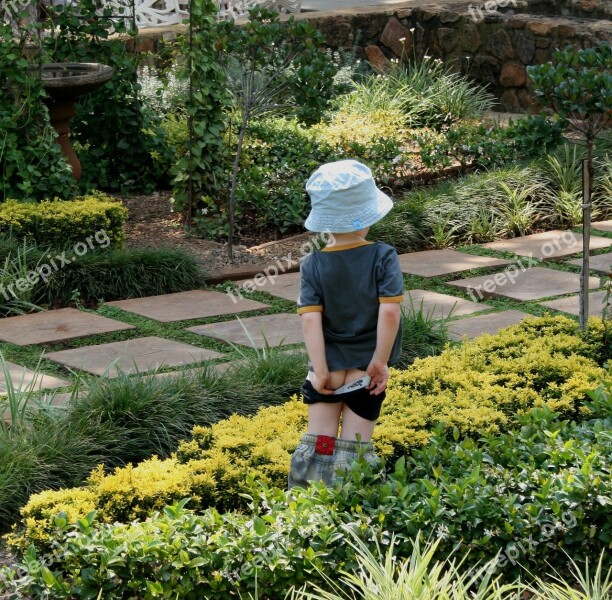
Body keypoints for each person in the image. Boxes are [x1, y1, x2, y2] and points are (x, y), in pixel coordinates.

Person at [288, 159, 403, 490]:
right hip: (364, 374)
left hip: (326, 372)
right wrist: (379, 361)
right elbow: (390, 313)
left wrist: (321, 370)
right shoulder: (382, 255)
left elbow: (310, 321)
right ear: (367, 217)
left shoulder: (313, 263)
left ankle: (304, 513)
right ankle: (351, 517)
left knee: (318, 446)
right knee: (354, 452)